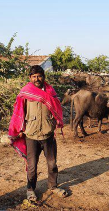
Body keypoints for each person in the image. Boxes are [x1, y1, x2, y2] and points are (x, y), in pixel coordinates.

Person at [9, 65, 68, 201]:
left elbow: (57, 109)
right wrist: (20, 130)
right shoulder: (25, 93)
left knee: (52, 164)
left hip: (48, 135)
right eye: (34, 76)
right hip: (31, 136)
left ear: (43, 77)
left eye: (39, 76)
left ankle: (53, 186)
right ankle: (30, 190)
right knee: (32, 166)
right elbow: (19, 112)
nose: (37, 79)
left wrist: (55, 122)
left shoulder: (51, 92)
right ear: (30, 78)